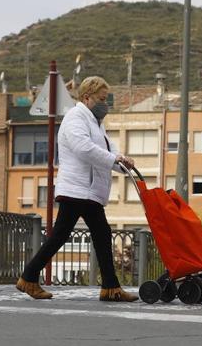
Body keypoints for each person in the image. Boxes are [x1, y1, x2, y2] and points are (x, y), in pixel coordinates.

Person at [16, 77, 139, 302]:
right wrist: (115, 158)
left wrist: (123, 163)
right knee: (84, 234)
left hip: (87, 190)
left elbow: (108, 151)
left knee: (88, 234)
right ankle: (30, 278)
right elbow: (84, 149)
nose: (105, 104)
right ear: (86, 98)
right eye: (101, 99)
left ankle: (31, 277)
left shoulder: (95, 122)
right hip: (78, 189)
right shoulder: (76, 118)